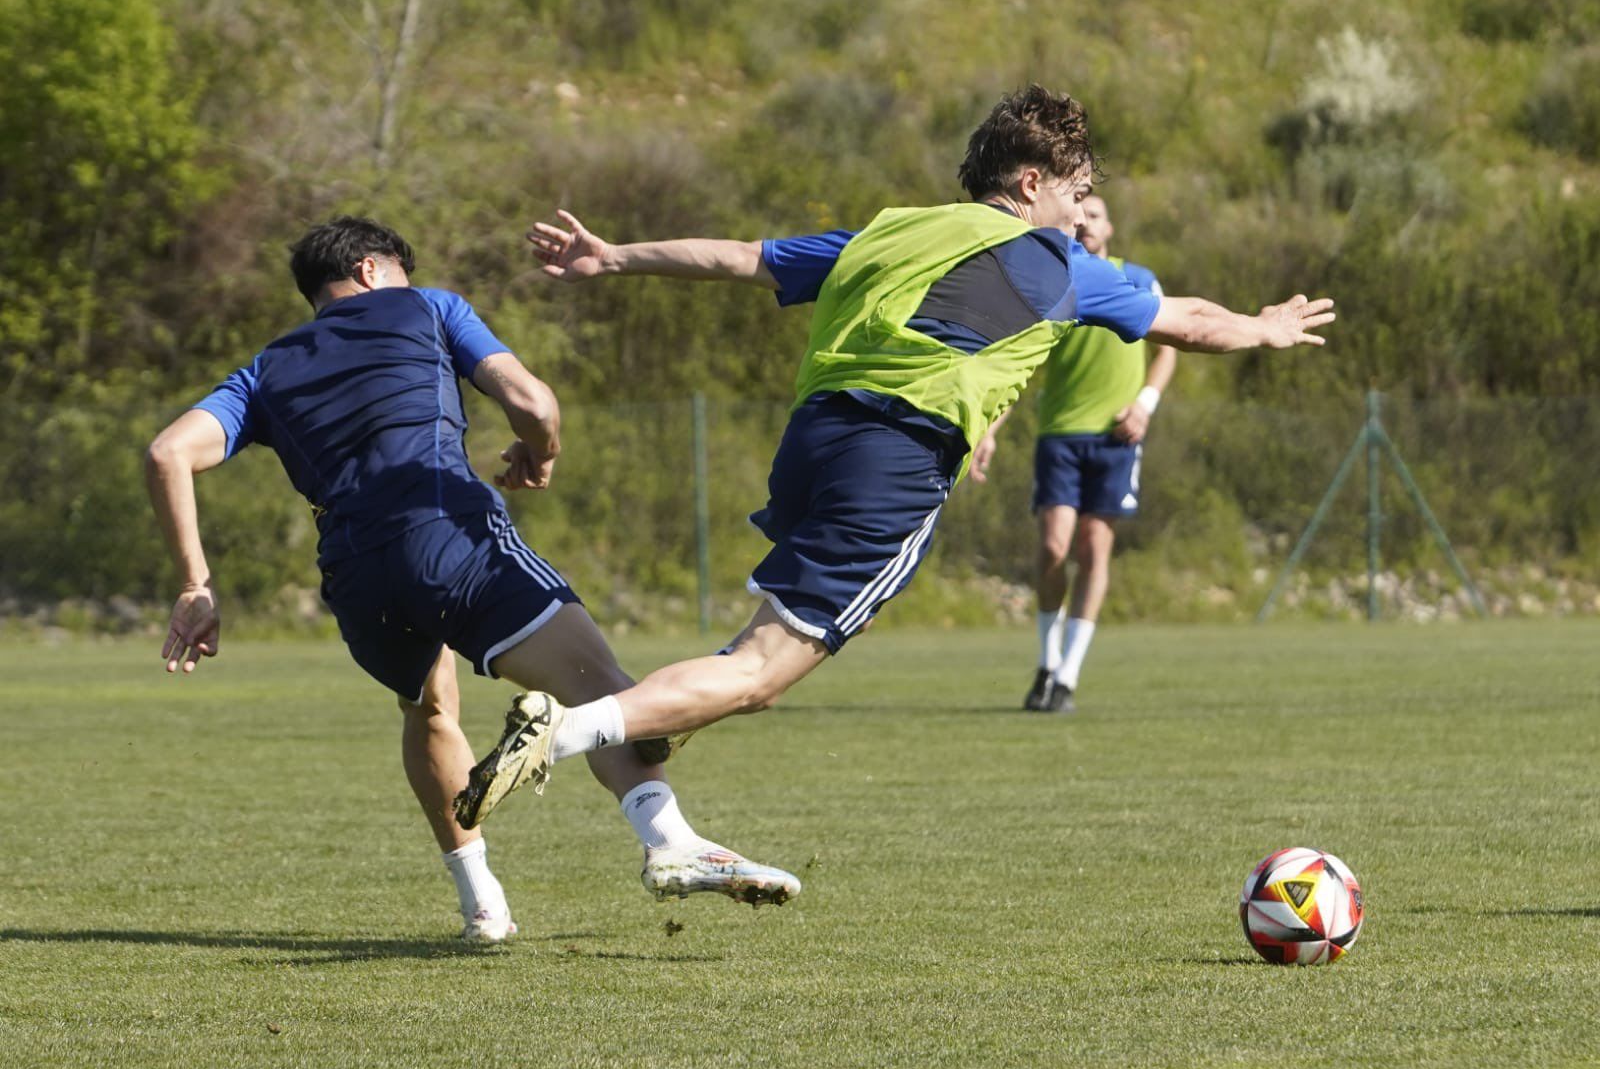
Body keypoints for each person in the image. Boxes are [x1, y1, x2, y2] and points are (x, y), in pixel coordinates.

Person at [454, 84, 1333, 828]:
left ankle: (648, 727)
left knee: (756, 653)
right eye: (1078, 192)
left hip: (813, 443)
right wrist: (1265, 328)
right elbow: (1186, 320)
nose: (1080, 215)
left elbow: (740, 258)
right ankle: (571, 730)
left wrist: (615, 258)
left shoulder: (889, 231)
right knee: (762, 674)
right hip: (897, 454)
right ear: (1033, 184)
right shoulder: (1056, 260)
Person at [144, 217, 801, 943]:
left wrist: (196, 586)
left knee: (427, 708)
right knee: (602, 687)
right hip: (445, 535)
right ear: (371, 268)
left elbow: (168, 452)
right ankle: (669, 841)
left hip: (355, 571)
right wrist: (539, 453)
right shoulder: (429, 305)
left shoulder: (265, 370)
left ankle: (482, 903)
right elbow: (534, 403)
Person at [972, 194, 1175, 714]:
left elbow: (1169, 346)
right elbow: (1018, 365)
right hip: (1059, 435)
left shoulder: (1138, 279)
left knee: (1093, 549)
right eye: (1080, 213)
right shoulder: (1051, 281)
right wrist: (989, 428)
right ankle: (1046, 661)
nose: (1086, 221)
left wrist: (1145, 405)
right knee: (1054, 549)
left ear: (1111, 226)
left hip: (1116, 438)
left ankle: (1068, 675)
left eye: (1098, 214)